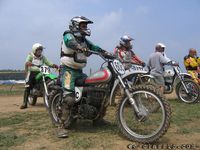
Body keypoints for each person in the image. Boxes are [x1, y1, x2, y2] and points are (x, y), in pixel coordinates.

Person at [58, 16, 109, 138]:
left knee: (97, 91)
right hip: (68, 71)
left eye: (86, 26)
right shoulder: (68, 35)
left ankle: (98, 119)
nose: (86, 28)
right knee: (69, 98)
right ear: (75, 26)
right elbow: (71, 42)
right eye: (83, 26)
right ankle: (61, 126)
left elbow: (94, 47)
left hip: (80, 71)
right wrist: (80, 47)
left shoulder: (84, 40)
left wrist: (105, 52)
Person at [20, 43, 58, 109]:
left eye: (41, 50)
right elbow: (27, 62)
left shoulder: (42, 57)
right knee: (28, 86)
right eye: (38, 50)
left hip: (40, 72)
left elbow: (48, 62)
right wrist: (29, 63)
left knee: (48, 79)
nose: (40, 51)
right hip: (32, 72)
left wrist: (54, 65)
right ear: (34, 50)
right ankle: (24, 103)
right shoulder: (30, 55)